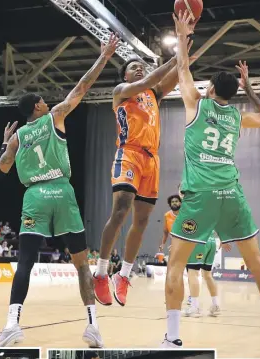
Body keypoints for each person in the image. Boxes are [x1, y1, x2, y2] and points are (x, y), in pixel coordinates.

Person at [161, 12, 260, 358]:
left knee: (175, 265)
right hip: (232, 194)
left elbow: (182, 70)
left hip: (200, 197)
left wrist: (182, 36)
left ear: (209, 89)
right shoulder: (236, 116)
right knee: (257, 263)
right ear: (232, 92)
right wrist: (250, 87)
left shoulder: (196, 105)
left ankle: (173, 337)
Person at [0, 34, 119, 348]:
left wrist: (5, 142)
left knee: (25, 263)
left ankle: (11, 325)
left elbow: (2, 169)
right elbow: (82, 87)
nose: (47, 102)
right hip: (62, 193)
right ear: (37, 105)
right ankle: (92, 327)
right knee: (80, 265)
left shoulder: (18, 136)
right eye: (43, 100)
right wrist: (103, 56)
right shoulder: (54, 117)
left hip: (34, 196)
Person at [93, 37, 196, 308]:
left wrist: (183, 56)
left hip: (152, 160)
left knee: (142, 220)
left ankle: (124, 276)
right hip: (128, 154)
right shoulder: (122, 91)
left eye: (142, 65)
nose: (139, 68)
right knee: (121, 210)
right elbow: (147, 81)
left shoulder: (153, 94)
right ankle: (101, 272)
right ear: (124, 75)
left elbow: (172, 78)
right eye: (133, 66)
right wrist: (174, 59)